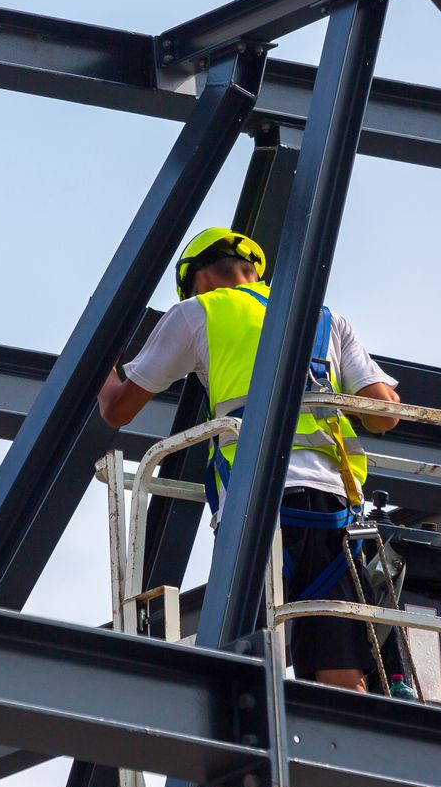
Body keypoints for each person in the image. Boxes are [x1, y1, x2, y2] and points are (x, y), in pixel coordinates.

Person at [97, 226, 402, 693]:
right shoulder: (325, 319)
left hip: (257, 509)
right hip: (333, 510)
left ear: (197, 280)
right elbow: (385, 415)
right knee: (341, 673)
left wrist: (98, 354)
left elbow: (117, 409)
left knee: (241, 668)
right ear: (256, 272)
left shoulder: (197, 314)